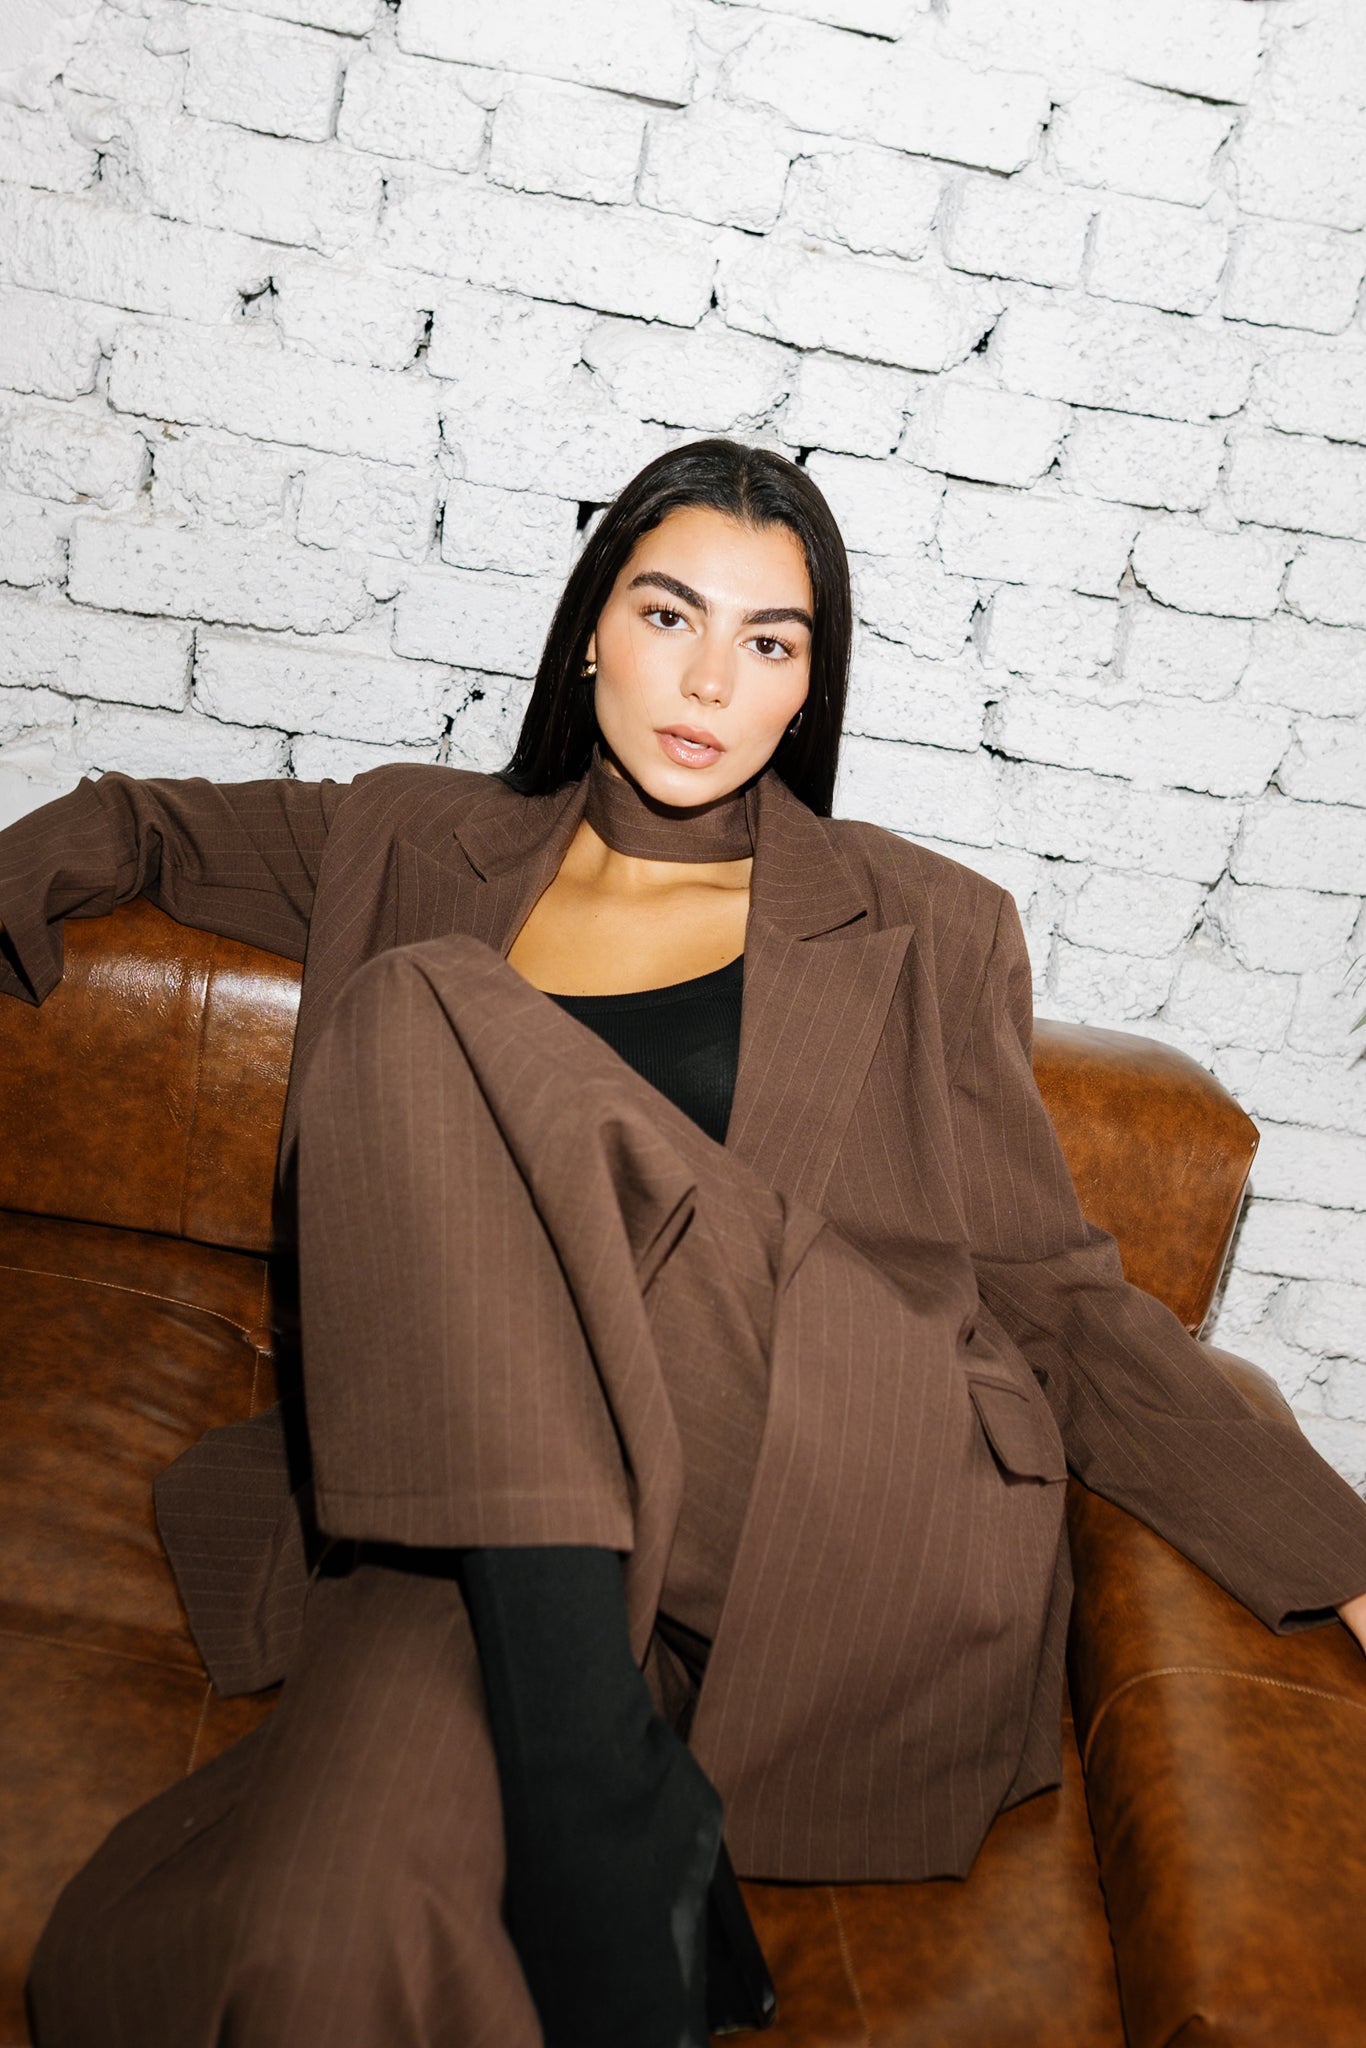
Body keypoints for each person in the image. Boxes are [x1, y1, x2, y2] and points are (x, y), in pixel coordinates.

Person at [7, 436, 1366, 2048]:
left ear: (807, 690)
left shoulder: (927, 925)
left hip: (811, 1462)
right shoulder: (412, 838)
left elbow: (1058, 1298)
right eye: (668, 615)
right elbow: (144, 822)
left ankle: (589, 1778)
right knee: (319, 1932)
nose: (710, 679)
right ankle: (599, 1794)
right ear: (591, 631)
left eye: (767, 642)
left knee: (423, 1002)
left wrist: (1337, 1552)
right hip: (512, 1535)